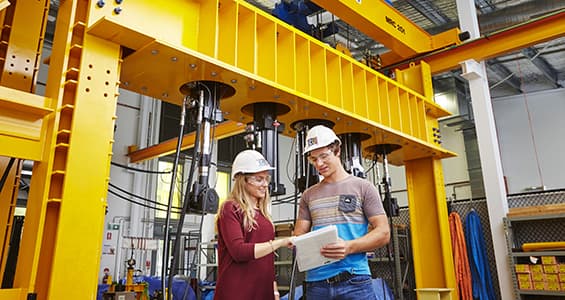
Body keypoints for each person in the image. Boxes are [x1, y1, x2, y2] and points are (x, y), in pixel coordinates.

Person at [294, 125, 391, 300]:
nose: (319, 164)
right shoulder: (308, 195)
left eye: (324, 156)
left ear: (337, 150)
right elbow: (298, 235)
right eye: (314, 159)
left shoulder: (363, 188)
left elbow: (383, 233)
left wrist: (348, 247)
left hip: (355, 281)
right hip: (317, 284)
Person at [214, 150, 293, 300]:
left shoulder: (263, 214)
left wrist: (274, 290)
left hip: (262, 292)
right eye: (259, 179)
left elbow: (267, 260)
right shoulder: (230, 208)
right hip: (237, 292)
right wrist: (280, 242)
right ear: (243, 180)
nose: (265, 184)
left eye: (266, 179)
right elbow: (239, 252)